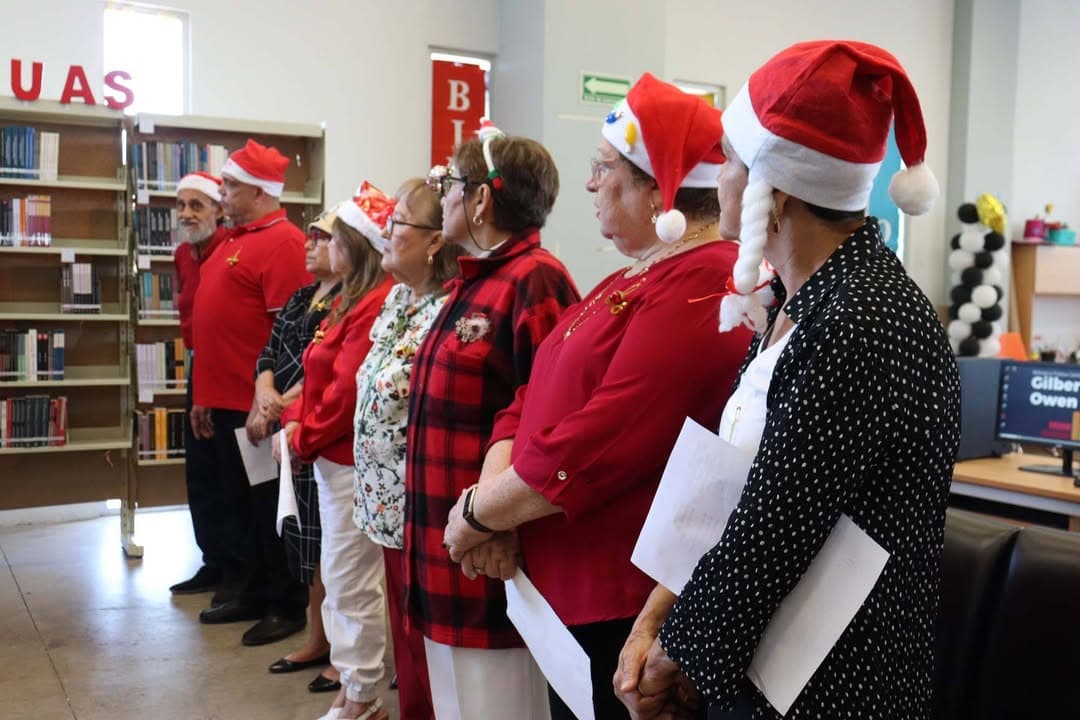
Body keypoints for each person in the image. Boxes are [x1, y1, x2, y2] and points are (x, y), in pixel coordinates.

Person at [615, 41, 961, 720]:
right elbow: (739, 485)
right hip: (772, 661)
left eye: (733, 166)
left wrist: (672, 661)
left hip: (833, 686)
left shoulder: (859, 320)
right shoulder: (800, 301)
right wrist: (659, 612)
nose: (720, 181)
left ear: (773, 192)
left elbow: (773, 531)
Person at [440, 73, 754, 720]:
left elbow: (601, 442)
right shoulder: (635, 273)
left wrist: (477, 516)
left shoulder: (704, 288)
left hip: (619, 601)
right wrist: (492, 509)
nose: (588, 184)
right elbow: (527, 396)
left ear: (656, 187)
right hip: (561, 586)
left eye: (603, 167)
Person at [403, 122, 580, 719]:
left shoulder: (534, 279)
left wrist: (502, 526)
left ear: (481, 198)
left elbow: (547, 420)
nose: (443, 195)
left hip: (486, 558)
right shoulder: (474, 281)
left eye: (452, 183)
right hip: (444, 549)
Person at [279, 182, 397, 720]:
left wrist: (300, 435)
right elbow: (320, 379)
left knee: (350, 580)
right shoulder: (349, 301)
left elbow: (345, 394)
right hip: (334, 460)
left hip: (349, 464)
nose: (326, 247)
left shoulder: (372, 305)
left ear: (358, 247)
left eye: (337, 239)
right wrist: (296, 421)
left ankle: (362, 694)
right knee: (342, 576)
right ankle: (357, 686)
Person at [191, 139, 312, 649]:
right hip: (222, 401)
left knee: (267, 507)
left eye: (232, 185)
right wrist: (202, 392)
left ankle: (284, 602)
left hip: (255, 408)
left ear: (261, 192)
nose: (223, 192)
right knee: (239, 506)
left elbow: (290, 334)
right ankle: (248, 589)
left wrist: (272, 403)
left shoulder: (282, 242)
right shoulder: (236, 238)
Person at [353, 177, 464, 720]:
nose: (387, 232)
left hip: (421, 503)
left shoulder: (450, 309)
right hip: (383, 501)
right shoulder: (399, 296)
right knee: (404, 636)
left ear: (435, 241)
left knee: (426, 646)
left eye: (399, 223)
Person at [249, 207, 343, 692]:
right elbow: (268, 352)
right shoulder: (301, 297)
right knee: (303, 539)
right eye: (307, 237)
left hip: (313, 430)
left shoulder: (348, 303)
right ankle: (317, 638)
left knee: (329, 543)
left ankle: (342, 652)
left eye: (321, 238)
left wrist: (278, 408)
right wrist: (264, 394)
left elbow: (324, 371)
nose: (308, 244)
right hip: (284, 427)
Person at [169, 171, 230, 597]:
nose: (187, 214)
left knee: (228, 474)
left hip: (226, 369)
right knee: (201, 472)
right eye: (181, 205)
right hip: (197, 364)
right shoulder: (182, 255)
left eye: (197, 205)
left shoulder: (231, 251)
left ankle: (238, 566)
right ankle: (213, 561)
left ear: (218, 210)